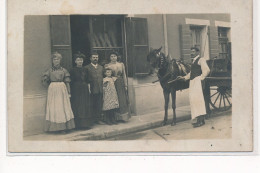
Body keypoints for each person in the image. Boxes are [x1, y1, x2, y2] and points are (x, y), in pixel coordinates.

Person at [42, 52, 75, 132]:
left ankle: (64, 127)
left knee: (62, 106)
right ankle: (54, 128)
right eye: (54, 59)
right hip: (53, 89)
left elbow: (67, 81)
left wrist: (69, 92)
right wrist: (50, 87)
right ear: (52, 61)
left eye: (58, 59)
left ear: (60, 60)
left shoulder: (64, 70)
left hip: (62, 89)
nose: (56, 61)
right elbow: (44, 80)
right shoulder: (49, 71)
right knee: (54, 107)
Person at [179, 47, 210, 128]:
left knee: (198, 100)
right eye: (191, 51)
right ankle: (199, 120)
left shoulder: (201, 59)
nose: (192, 53)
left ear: (197, 52)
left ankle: (201, 121)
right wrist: (184, 77)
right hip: (192, 82)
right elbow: (191, 73)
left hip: (197, 82)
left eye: (193, 51)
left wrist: (201, 78)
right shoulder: (194, 61)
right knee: (194, 100)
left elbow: (206, 70)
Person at [105, 51, 131, 122]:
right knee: (115, 99)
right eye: (112, 56)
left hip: (120, 83)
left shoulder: (121, 64)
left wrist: (125, 85)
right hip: (112, 83)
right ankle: (116, 118)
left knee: (122, 99)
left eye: (114, 56)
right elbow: (107, 76)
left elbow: (124, 75)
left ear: (117, 57)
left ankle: (123, 117)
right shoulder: (108, 65)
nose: (113, 58)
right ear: (110, 58)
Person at [70, 52, 93, 129]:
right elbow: (71, 81)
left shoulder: (85, 69)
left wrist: (89, 89)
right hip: (76, 89)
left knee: (85, 105)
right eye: (78, 60)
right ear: (75, 61)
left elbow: (88, 80)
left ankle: (86, 124)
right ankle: (78, 125)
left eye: (81, 60)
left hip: (84, 89)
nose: (80, 61)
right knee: (77, 105)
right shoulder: (72, 70)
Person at [85, 52, 105, 125]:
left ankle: (98, 119)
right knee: (92, 104)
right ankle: (92, 120)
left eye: (96, 57)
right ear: (90, 58)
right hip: (92, 89)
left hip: (100, 89)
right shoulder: (87, 67)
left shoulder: (101, 67)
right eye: (94, 57)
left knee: (99, 104)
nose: (95, 59)